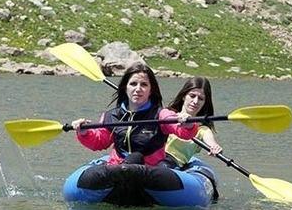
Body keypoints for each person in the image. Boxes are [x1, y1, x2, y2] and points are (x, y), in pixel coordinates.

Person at [70, 63, 199, 166]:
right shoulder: (112, 116)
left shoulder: (161, 115)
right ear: (125, 88)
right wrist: (84, 133)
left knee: (136, 158)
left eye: (144, 85)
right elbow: (99, 142)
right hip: (116, 169)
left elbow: (183, 131)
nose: (138, 89)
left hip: (150, 173)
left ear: (151, 90)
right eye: (133, 84)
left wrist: (187, 124)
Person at [160, 76, 223, 169]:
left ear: (205, 102)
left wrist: (215, 147)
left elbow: (211, 142)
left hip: (171, 163)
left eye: (201, 98)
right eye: (192, 96)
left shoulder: (202, 129)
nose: (195, 101)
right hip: (155, 155)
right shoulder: (168, 115)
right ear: (184, 96)